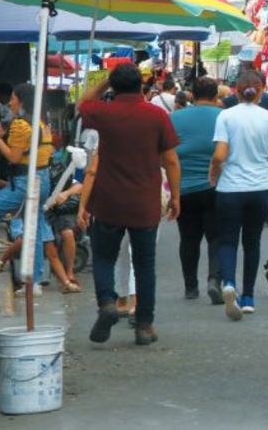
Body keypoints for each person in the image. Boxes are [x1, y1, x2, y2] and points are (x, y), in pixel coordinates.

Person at [77, 63, 181, 346]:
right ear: (141, 86)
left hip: (108, 200)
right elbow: (171, 160)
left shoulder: (104, 112)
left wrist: (105, 83)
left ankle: (107, 302)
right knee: (145, 265)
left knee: (104, 258)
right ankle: (144, 326)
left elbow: (82, 103)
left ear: (114, 87)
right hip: (144, 202)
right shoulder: (157, 115)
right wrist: (175, 196)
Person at [209, 69, 268, 320]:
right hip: (261, 189)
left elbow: (219, 154)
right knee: (252, 242)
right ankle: (249, 298)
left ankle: (229, 283)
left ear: (236, 91)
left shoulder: (226, 116)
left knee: (228, 241)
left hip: (230, 189)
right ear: (261, 91)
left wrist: (214, 170)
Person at [0, 83, 58, 291]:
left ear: (21, 101)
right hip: (42, 180)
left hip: (24, 182)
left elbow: (13, 156)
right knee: (33, 229)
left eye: (12, 99)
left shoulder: (21, 125)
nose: (10, 103)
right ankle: (34, 282)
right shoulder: (42, 123)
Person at [169, 76, 225, 303]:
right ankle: (214, 280)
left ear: (192, 95)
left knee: (188, 238)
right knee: (216, 237)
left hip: (184, 188)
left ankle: (190, 286)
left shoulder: (175, 118)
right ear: (216, 95)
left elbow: (167, 154)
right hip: (217, 186)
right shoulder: (224, 116)